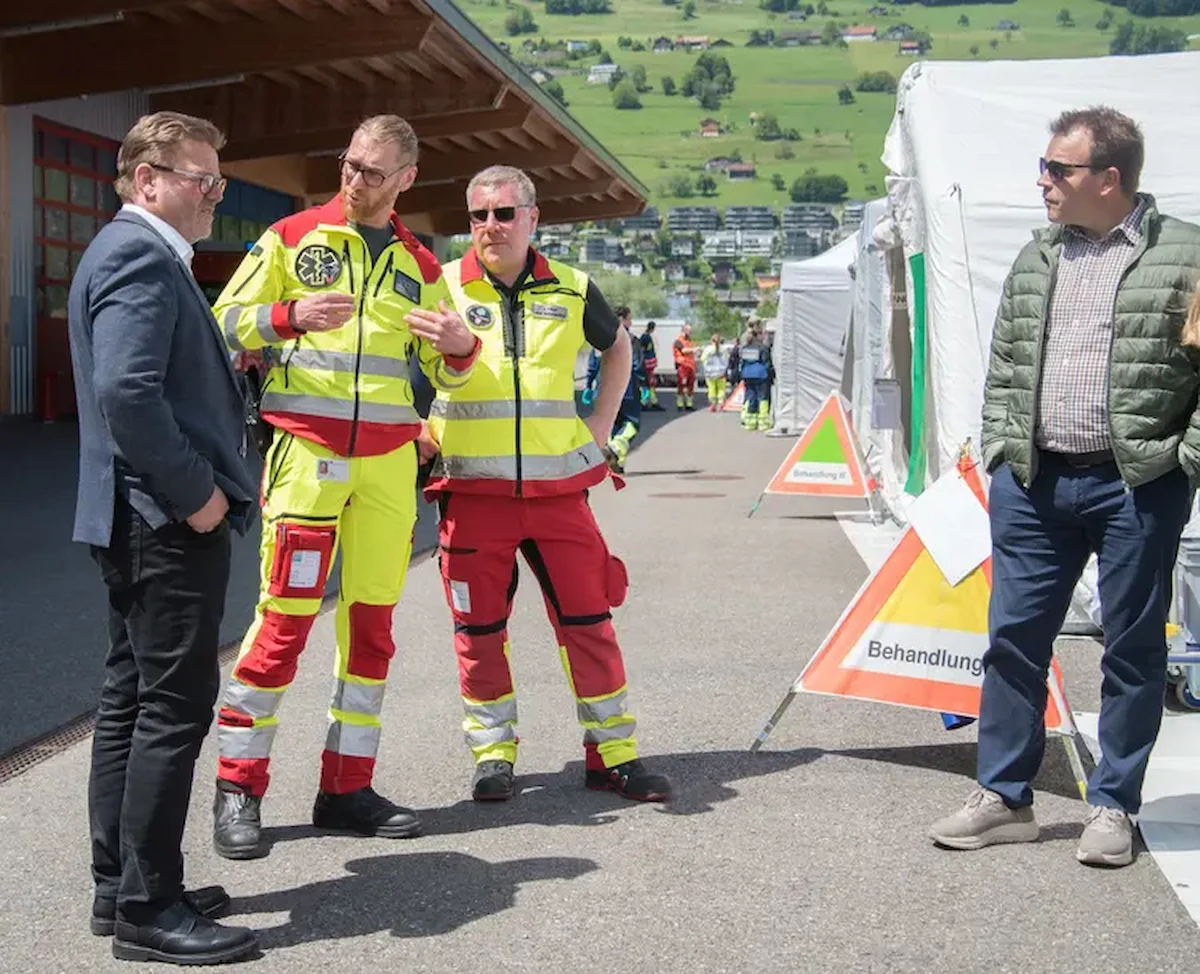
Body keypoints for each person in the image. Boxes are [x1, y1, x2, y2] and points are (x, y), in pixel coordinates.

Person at [929, 106, 1200, 868]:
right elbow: (1007, 360)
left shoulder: (1186, 255)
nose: (1043, 181)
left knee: (1133, 650)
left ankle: (1114, 806)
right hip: (1035, 482)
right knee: (1013, 642)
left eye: (1059, 169)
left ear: (1108, 179)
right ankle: (1005, 797)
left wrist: (1184, 461)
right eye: (1046, 167)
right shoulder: (1038, 254)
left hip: (1136, 486)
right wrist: (1003, 447)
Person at [210, 114, 479, 860]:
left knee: (372, 631)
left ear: (405, 181)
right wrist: (286, 315)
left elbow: (450, 363)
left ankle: (346, 787)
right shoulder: (293, 237)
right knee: (283, 623)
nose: (354, 179)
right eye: (350, 163)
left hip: (390, 465)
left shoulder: (423, 264)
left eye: (371, 170)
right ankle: (238, 785)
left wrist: (461, 350)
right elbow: (221, 323)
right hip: (308, 457)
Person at [68, 111, 259, 965]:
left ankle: (126, 886)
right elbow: (130, 395)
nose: (214, 194)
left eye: (217, 179)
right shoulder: (141, 255)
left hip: (138, 519)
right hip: (164, 522)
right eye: (201, 178)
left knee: (131, 703)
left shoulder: (138, 255)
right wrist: (200, 501)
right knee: (170, 715)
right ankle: (150, 904)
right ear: (147, 180)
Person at [422, 165, 674, 804]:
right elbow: (401, 374)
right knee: (477, 632)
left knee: (589, 620)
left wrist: (599, 426)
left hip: (559, 495)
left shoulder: (572, 286)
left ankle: (613, 753)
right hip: (473, 496)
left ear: (533, 218)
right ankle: (493, 754)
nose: (490, 227)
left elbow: (621, 350)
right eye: (478, 215)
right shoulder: (439, 287)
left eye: (504, 213)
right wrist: (417, 435)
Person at [589, 306, 648, 473]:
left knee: (609, 423)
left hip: (602, 387)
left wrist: (588, 385)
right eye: (629, 318)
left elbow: (592, 365)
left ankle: (616, 463)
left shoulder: (598, 339)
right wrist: (644, 385)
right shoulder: (630, 340)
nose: (631, 322)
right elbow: (636, 364)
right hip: (627, 386)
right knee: (631, 423)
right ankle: (615, 449)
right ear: (622, 320)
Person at [739, 326, 772, 431]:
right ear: (758, 335)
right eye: (762, 334)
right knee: (762, 398)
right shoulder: (763, 348)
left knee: (750, 396)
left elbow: (743, 362)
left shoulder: (745, 348)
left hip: (747, 375)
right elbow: (766, 362)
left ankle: (750, 422)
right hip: (760, 375)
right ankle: (763, 423)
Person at [637, 319, 663, 410]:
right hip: (647, 364)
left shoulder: (646, 336)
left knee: (649, 383)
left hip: (648, 364)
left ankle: (651, 401)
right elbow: (642, 350)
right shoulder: (646, 337)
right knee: (647, 384)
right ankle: (645, 402)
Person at [701, 333, 729, 411]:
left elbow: (703, 359)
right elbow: (727, 360)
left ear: (711, 340)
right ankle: (721, 404)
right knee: (721, 389)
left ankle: (713, 405)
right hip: (721, 373)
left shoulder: (708, 349)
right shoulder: (723, 349)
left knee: (711, 389)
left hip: (710, 373)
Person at [673, 323, 697, 410]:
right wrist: (694, 350)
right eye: (689, 331)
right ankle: (680, 404)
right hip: (683, 366)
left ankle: (689, 404)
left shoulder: (690, 341)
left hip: (690, 366)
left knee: (690, 385)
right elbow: (683, 350)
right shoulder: (678, 341)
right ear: (684, 331)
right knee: (681, 384)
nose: (690, 333)